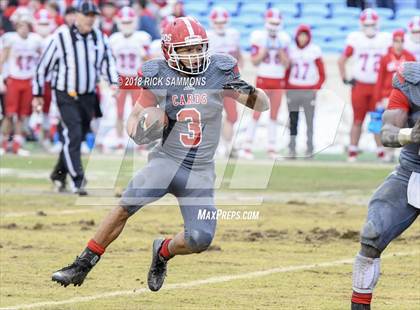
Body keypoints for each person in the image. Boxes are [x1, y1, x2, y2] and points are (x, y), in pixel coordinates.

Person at [50, 16, 269, 292]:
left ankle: (163, 251)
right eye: (186, 50)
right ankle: (82, 264)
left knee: (200, 239)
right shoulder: (158, 74)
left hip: (200, 170)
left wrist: (247, 91)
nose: (194, 55)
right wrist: (142, 126)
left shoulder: (219, 71)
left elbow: (262, 105)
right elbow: (134, 119)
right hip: (166, 161)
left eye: (198, 48)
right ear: (170, 51)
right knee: (125, 206)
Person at [350, 61, 420, 310]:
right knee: (372, 234)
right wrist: (410, 134)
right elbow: (388, 132)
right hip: (412, 172)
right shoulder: (412, 81)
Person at [32, 1, 118, 194]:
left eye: (93, 15)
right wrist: (37, 94)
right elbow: (42, 67)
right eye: (86, 14)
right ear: (77, 15)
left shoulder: (99, 37)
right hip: (65, 94)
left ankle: (58, 175)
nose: (90, 18)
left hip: (88, 95)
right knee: (74, 134)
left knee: (76, 136)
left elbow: (108, 61)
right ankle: (78, 180)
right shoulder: (61, 37)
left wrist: (113, 82)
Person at [338, 8, 391, 162]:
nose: (369, 27)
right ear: (361, 24)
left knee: (377, 119)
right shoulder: (355, 39)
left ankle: (381, 151)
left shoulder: (384, 39)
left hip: (377, 86)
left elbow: (390, 59)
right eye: (366, 25)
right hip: (360, 84)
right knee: (357, 119)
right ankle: (353, 150)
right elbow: (342, 59)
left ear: (377, 24)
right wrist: (345, 78)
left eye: (372, 24)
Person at [241, 8, 290, 160]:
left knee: (274, 115)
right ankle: (247, 146)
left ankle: (272, 148)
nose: (274, 26)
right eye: (271, 23)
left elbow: (287, 64)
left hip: (278, 80)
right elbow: (254, 61)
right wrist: (265, 49)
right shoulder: (258, 36)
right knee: (256, 112)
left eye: (276, 23)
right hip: (263, 78)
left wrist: (279, 48)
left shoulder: (285, 38)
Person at [0, 11, 43, 156]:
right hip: (14, 79)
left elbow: (42, 58)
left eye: (25, 26)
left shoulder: (35, 40)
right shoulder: (10, 39)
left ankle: (17, 145)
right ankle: (4, 144)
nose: (23, 29)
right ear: (16, 27)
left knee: (22, 115)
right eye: (20, 26)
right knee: (9, 113)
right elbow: (2, 59)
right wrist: (1, 78)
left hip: (28, 80)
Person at [109, 6, 151, 151]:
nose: (126, 25)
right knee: (119, 112)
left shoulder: (142, 37)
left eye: (129, 22)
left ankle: (141, 141)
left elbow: (148, 60)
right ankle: (120, 141)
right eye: (124, 22)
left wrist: (143, 53)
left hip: (136, 78)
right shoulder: (114, 39)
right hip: (121, 78)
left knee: (139, 112)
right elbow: (109, 62)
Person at [207, 6, 243, 158]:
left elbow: (238, 54)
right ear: (212, 22)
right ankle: (216, 146)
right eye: (217, 22)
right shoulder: (208, 37)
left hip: (229, 82)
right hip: (213, 82)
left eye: (223, 22)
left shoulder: (233, 35)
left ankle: (226, 145)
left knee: (232, 115)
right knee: (212, 115)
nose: (220, 25)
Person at [286, 24, 325, 158]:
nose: (302, 38)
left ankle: (310, 149)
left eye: (305, 35)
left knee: (309, 121)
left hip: (308, 90)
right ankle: (292, 148)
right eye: (300, 35)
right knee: (293, 121)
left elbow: (322, 72)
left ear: (309, 37)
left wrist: (316, 87)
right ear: (297, 36)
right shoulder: (291, 50)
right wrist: (286, 87)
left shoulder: (314, 50)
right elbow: (286, 70)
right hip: (293, 89)